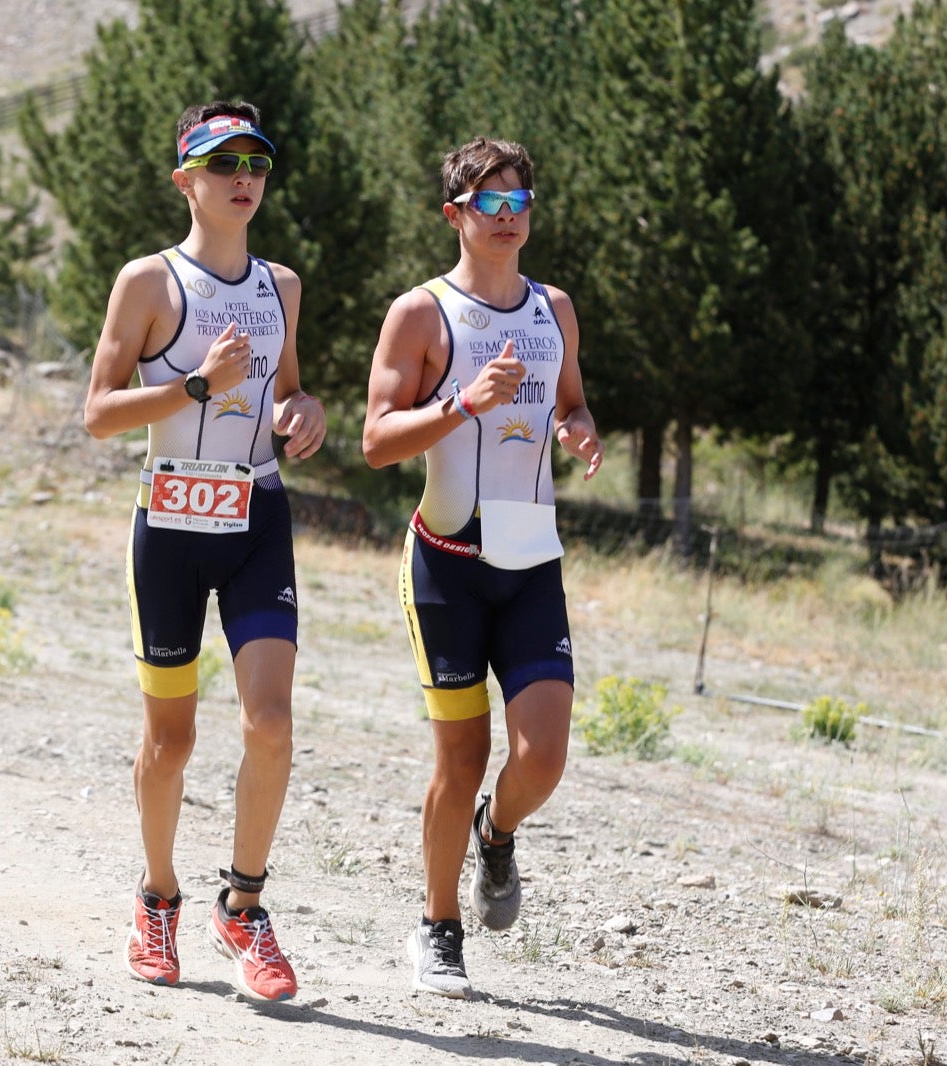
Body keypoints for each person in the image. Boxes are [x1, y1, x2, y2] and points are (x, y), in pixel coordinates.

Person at [82, 100, 325, 1002]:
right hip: (172, 527)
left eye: (256, 160)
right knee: (171, 739)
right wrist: (192, 383)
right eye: (223, 161)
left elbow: (290, 392)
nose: (244, 176)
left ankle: (245, 907)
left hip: (256, 515)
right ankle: (157, 898)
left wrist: (307, 413)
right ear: (185, 178)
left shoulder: (283, 288)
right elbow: (100, 413)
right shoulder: (148, 283)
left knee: (271, 723)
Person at [362, 137, 604, 998]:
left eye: (521, 203)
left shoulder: (555, 309)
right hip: (447, 567)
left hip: (531, 559)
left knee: (541, 757)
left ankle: (495, 837)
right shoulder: (422, 314)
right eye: (489, 204)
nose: (509, 219)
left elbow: (571, 400)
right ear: (454, 215)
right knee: (459, 757)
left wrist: (579, 431)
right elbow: (376, 441)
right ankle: (438, 929)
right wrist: (463, 401)